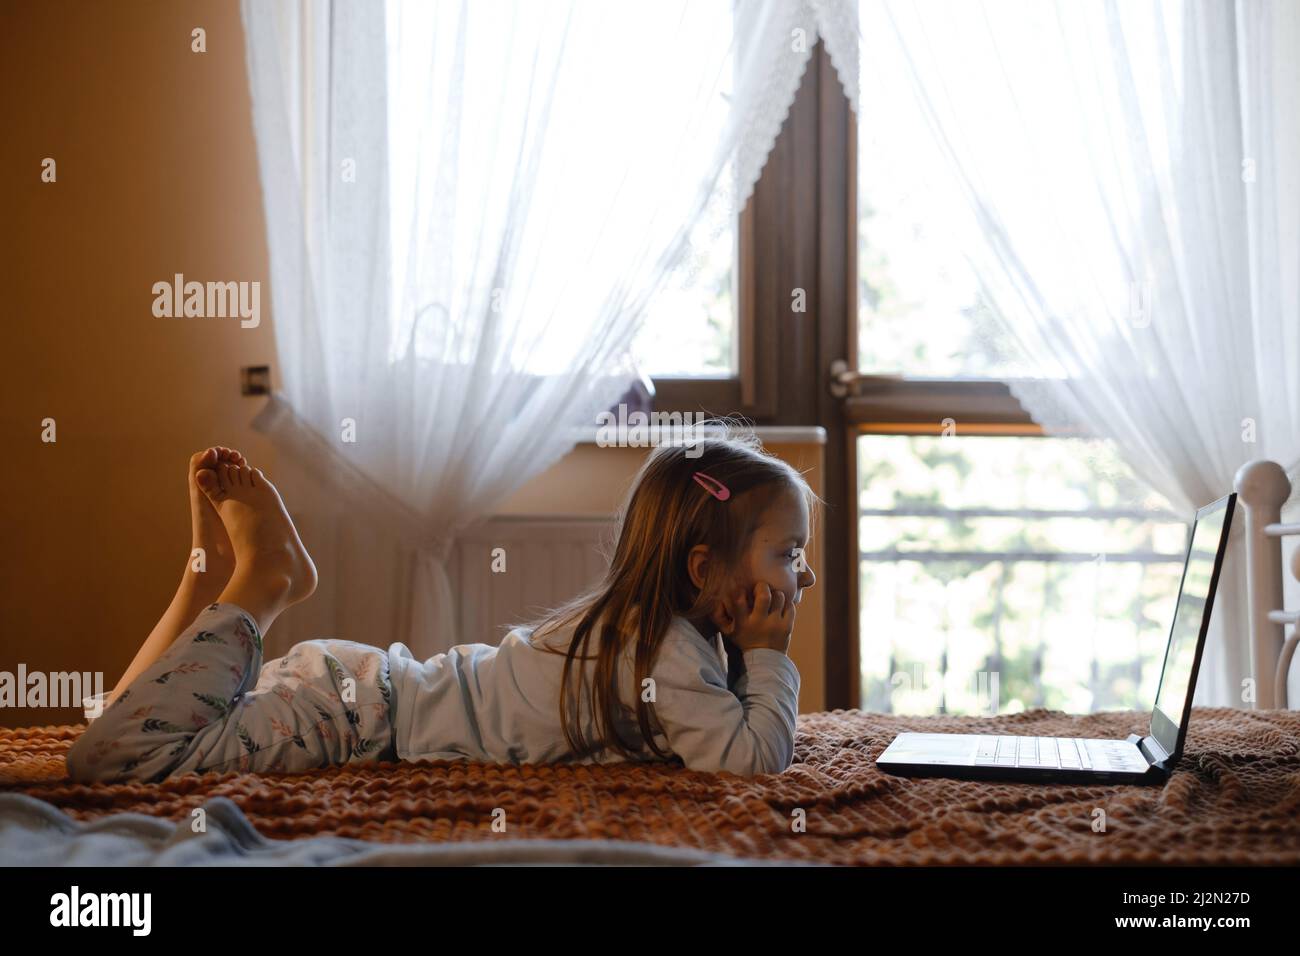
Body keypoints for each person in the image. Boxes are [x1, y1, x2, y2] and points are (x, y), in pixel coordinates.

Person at [66, 429, 818, 782]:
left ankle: (206, 587)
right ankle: (260, 583)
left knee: (120, 723)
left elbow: (729, 737)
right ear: (701, 566)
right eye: (789, 553)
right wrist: (768, 655)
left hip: (356, 689)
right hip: (351, 720)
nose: (804, 579)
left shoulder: (648, 635)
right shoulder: (669, 654)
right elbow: (751, 758)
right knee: (111, 760)